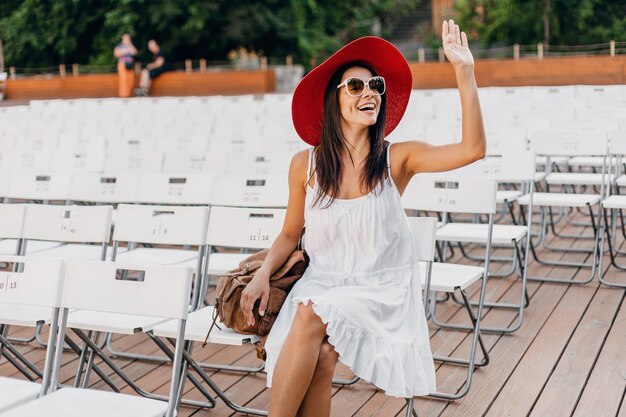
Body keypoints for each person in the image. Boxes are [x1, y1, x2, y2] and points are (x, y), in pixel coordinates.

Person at [240, 20, 486, 417]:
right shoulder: (304, 165)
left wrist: (464, 71)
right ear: (333, 101)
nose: (369, 92)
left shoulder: (397, 159)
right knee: (320, 357)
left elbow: (472, 149)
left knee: (310, 312)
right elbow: (289, 234)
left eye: (375, 86)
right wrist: (261, 274)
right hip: (324, 283)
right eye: (355, 86)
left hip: (380, 289)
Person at [114, 33, 137, 98]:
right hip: (122, 64)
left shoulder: (130, 46)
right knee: (123, 79)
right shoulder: (119, 46)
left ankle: (127, 94)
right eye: (126, 38)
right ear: (123, 39)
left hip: (130, 64)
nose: (128, 40)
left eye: (129, 38)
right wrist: (125, 52)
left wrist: (130, 45)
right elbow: (116, 54)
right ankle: (123, 95)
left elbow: (135, 52)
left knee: (131, 79)